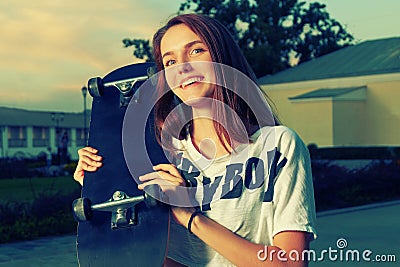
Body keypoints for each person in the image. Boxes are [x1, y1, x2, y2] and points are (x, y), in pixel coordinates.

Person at [74, 14, 317, 267]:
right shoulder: (159, 156)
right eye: (170, 61)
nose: (182, 67)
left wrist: (190, 217)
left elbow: (291, 263)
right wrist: (101, 184)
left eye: (196, 50)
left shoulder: (277, 145)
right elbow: (148, 258)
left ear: (222, 57)